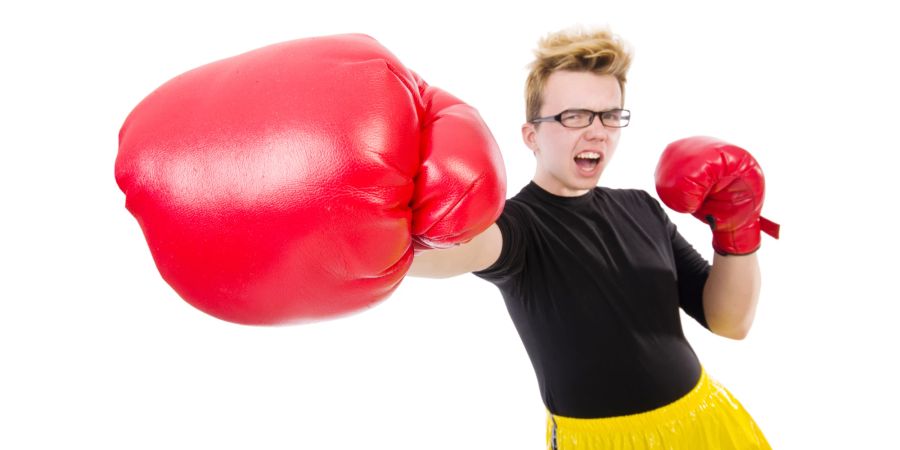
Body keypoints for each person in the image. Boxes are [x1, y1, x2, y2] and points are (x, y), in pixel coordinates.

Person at [408, 26, 774, 449]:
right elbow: (445, 252)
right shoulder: (517, 227)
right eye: (575, 116)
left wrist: (737, 225)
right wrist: (385, 216)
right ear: (532, 136)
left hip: (707, 421)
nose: (598, 131)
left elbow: (730, 322)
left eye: (610, 115)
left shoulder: (642, 208)